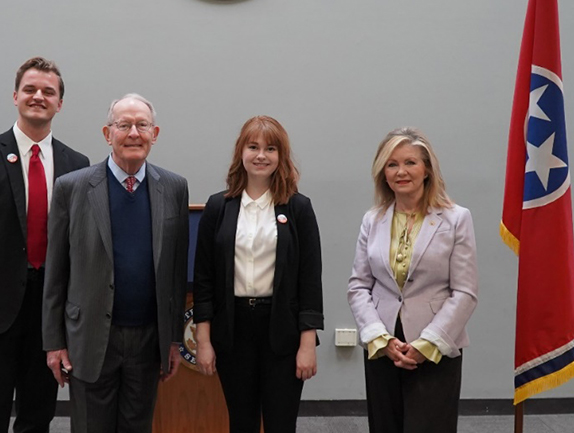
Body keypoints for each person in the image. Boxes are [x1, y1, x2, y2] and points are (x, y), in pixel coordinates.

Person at [0, 57, 89, 433]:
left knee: (38, 415)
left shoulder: (78, 165)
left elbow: (80, 246)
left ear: (60, 102)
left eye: (48, 91)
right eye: (30, 89)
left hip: (50, 312)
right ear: (15, 96)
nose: (38, 96)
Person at [42, 93, 189, 433]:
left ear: (155, 133)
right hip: (90, 338)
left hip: (148, 339)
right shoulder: (72, 188)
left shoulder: (174, 187)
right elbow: (56, 273)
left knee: (137, 427)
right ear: (108, 134)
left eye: (142, 125)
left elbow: (175, 272)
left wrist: (173, 339)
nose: (134, 133)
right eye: (124, 125)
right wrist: (54, 342)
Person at [193, 116, 324, 433]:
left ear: (282, 156)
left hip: (282, 331)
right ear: (241, 152)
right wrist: (203, 338)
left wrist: (307, 344)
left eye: (270, 148)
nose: (261, 155)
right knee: (242, 421)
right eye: (253, 147)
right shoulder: (218, 207)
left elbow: (310, 280)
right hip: (233, 331)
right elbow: (205, 279)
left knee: (281, 423)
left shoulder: (298, 208)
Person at [347, 127, 478, 433]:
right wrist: (380, 338)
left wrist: (427, 343)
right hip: (383, 347)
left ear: (427, 170)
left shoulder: (456, 218)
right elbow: (358, 286)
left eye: (410, 163)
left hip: (435, 348)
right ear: (383, 172)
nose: (400, 171)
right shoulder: (373, 219)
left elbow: (465, 292)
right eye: (392, 164)